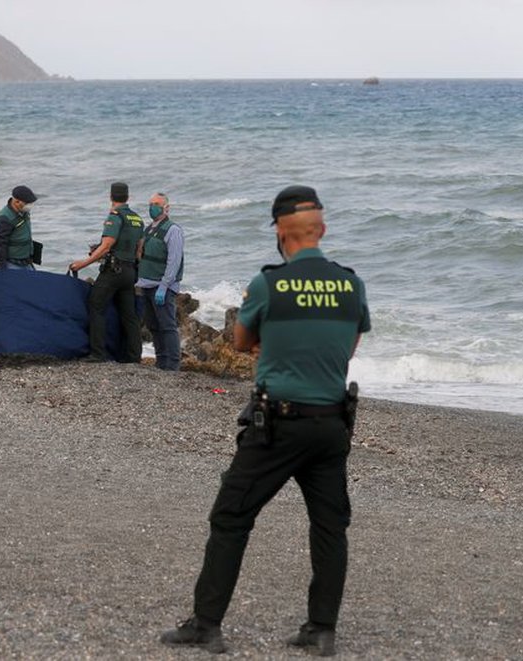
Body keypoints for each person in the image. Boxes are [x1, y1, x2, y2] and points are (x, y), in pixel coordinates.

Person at [160, 185, 371, 656]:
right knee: (330, 527)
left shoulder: (269, 283)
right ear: (322, 230)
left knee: (231, 517)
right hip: (332, 423)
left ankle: (206, 624)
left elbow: (239, 342)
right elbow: (349, 347)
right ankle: (321, 630)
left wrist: (274, 344)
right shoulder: (350, 283)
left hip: (277, 424)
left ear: (280, 230)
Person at [68, 182, 144, 363]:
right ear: (128, 197)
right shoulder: (137, 219)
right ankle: (134, 357)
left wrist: (83, 264)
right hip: (129, 271)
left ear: (111, 197)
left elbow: (107, 245)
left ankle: (98, 353)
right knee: (129, 316)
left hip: (113, 271)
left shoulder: (115, 217)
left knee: (96, 304)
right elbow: (139, 250)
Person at [136, 193, 184, 371]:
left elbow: (174, 260)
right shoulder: (148, 230)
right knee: (153, 326)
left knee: (167, 326)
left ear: (166, 207)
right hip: (146, 285)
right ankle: (161, 361)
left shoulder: (173, 230)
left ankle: (172, 365)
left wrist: (164, 286)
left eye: (156, 204)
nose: (152, 207)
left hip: (162, 287)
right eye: (150, 204)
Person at [0, 185, 38, 270]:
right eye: (27, 203)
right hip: (12, 264)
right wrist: (2, 268)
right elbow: (0, 245)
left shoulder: (24, 212)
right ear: (17, 202)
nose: (30, 205)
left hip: (27, 262)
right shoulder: (4, 218)